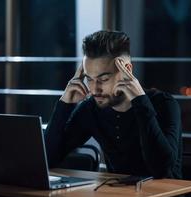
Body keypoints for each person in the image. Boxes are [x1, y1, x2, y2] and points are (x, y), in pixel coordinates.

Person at [45, 30, 183, 180]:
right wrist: (64, 104)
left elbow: (162, 170)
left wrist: (140, 102)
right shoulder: (91, 109)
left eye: (103, 79)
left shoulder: (164, 104)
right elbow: (48, 159)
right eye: (89, 79)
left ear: (127, 70)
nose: (95, 89)